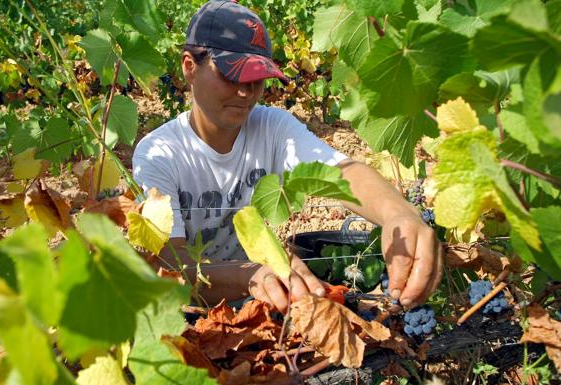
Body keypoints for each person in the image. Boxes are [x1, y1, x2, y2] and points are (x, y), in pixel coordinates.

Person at [132, 0, 443, 313]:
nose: (246, 92)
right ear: (189, 66)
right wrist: (251, 274)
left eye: (257, 78)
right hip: (187, 315)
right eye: (232, 75)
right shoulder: (159, 154)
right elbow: (169, 265)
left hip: (260, 306)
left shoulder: (272, 127)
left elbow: (341, 173)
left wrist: (398, 215)